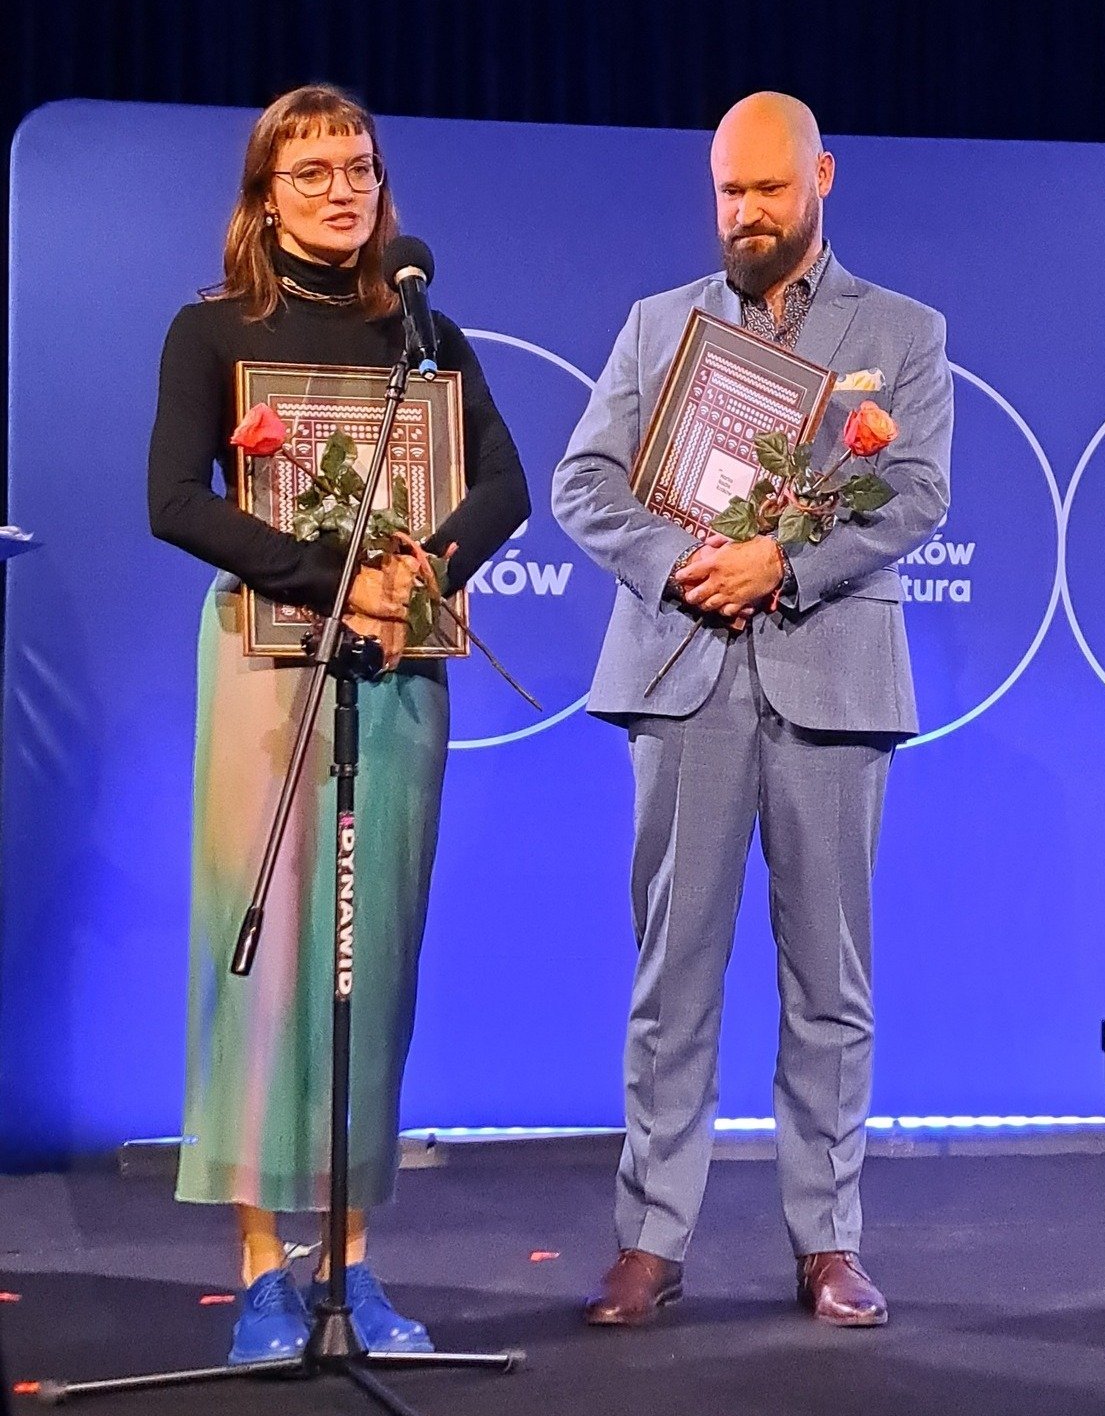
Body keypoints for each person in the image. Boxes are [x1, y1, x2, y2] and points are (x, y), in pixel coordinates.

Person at [552, 91, 953, 1328]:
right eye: (730, 192)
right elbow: (584, 482)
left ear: (821, 178)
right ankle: (649, 1242)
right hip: (683, 673)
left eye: (769, 190)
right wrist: (688, 561)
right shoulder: (657, 325)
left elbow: (916, 492)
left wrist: (782, 562)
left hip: (833, 679)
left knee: (829, 981)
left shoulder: (902, 330)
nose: (747, 214)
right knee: (671, 975)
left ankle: (828, 1243)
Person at [148, 83, 529, 1363]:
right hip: (267, 663)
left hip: (397, 660)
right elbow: (174, 500)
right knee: (265, 963)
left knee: (372, 960)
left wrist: (419, 573)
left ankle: (352, 1265)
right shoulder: (214, 331)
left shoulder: (422, 330)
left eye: (358, 167)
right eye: (310, 172)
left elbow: (505, 485)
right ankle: (263, 1272)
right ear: (265, 197)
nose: (340, 191)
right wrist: (332, 577)